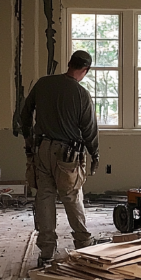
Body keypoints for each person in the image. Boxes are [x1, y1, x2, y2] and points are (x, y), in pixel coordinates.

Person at [20, 50, 100, 267]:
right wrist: (94, 153)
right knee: (72, 196)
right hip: (68, 155)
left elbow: (24, 114)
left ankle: (46, 252)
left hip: (42, 149)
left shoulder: (43, 84)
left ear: (68, 63)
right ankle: (83, 244)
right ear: (85, 70)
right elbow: (89, 129)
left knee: (45, 197)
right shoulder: (81, 95)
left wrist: (29, 140)